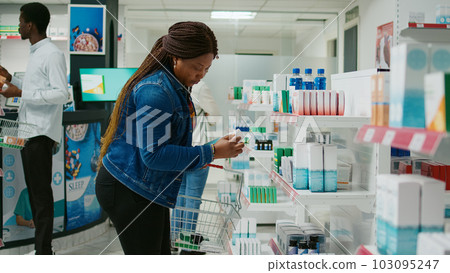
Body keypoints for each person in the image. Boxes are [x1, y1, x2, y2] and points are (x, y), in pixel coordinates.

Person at [96, 21, 244, 255]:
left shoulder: (175, 86)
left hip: (145, 186)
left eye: (206, 69)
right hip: (127, 189)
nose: (201, 74)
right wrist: (212, 151)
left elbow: (155, 146)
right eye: (197, 67)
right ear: (176, 57)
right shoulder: (155, 92)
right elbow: (153, 156)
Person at [0, 2, 69, 255]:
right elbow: (35, 88)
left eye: (20, 20)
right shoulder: (37, 53)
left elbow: (61, 93)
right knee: (36, 195)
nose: (18, 25)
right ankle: (41, 249)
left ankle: (43, 252)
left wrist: (21, 91)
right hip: (29, 133)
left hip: (40, 134)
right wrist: (11, 79)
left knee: (40, 197)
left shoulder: (51, 53)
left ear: (30, 24)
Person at [171, 81, 220, 254]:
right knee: (193, 198)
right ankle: (187, 241)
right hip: (198, 150)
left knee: (179, 196)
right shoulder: (200, 87)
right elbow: (215, 117)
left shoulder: (173, 85)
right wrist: (205, 114)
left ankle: (175, 238)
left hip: (178, 151)